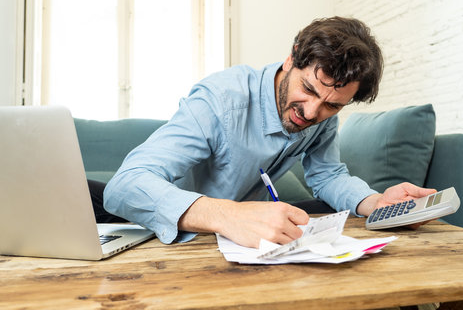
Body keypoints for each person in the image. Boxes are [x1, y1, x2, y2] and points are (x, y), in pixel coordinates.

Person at [102, 16, 436, 248]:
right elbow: (124, 186)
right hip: (185, 233)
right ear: (291, 60)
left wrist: (377, 203)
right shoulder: (219, 100)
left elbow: (327, 175)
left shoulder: (322, 111)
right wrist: (228, 216)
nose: (311, 112)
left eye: (332, 106)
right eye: (307, 89)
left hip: (251, 244)